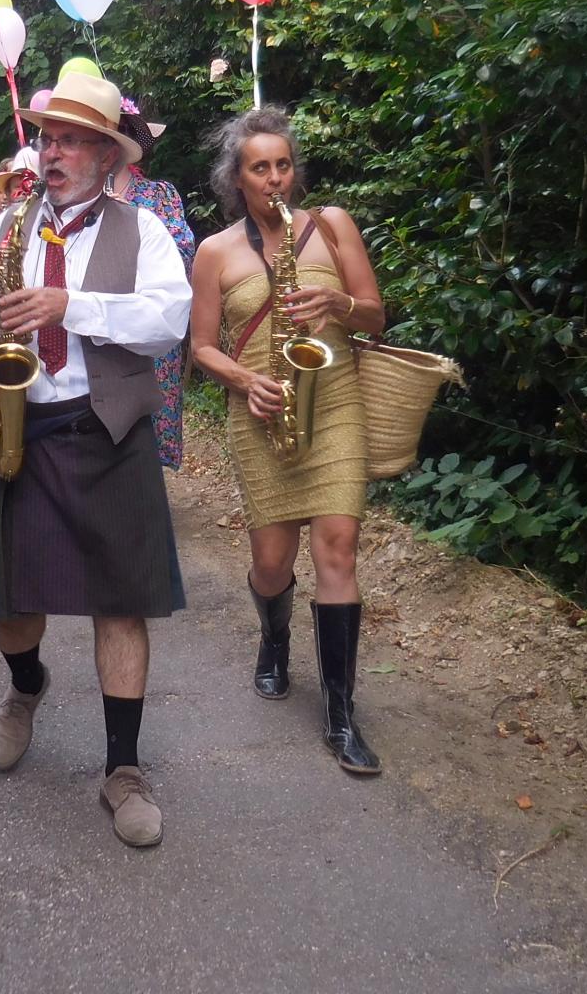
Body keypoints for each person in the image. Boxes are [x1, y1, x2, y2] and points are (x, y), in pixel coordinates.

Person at [0, 71, 191, 848]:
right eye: (48, 137)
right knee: (13, 602)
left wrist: (69, 307)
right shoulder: (5, 231)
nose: (52, 152)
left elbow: (167, 321)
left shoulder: (140, 230)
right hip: (26, 432)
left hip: (108, 432)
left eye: (71, 140)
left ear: (105, 155)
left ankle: (123, 770)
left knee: (121, 603)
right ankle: (26, 687)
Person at [188, 106, 387, 776]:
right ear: (236, 180)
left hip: (334, 401)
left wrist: (340, 307)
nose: (275, 177)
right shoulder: (216, 252)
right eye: (259, 167)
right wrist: (245, 381)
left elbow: (376, 313)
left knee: (338, 548)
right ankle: (274, 640)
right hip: (261, 411)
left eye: (283, 164)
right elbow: (199, 350)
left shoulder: (331, 227)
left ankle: (339, 713)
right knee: (273, 563)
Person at [114, 99, 194, 470]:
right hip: (97, 326)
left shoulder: (159, 195)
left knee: (148, 425)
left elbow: (183, 254)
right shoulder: (74, 195)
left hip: (150, 325)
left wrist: (135, 222)